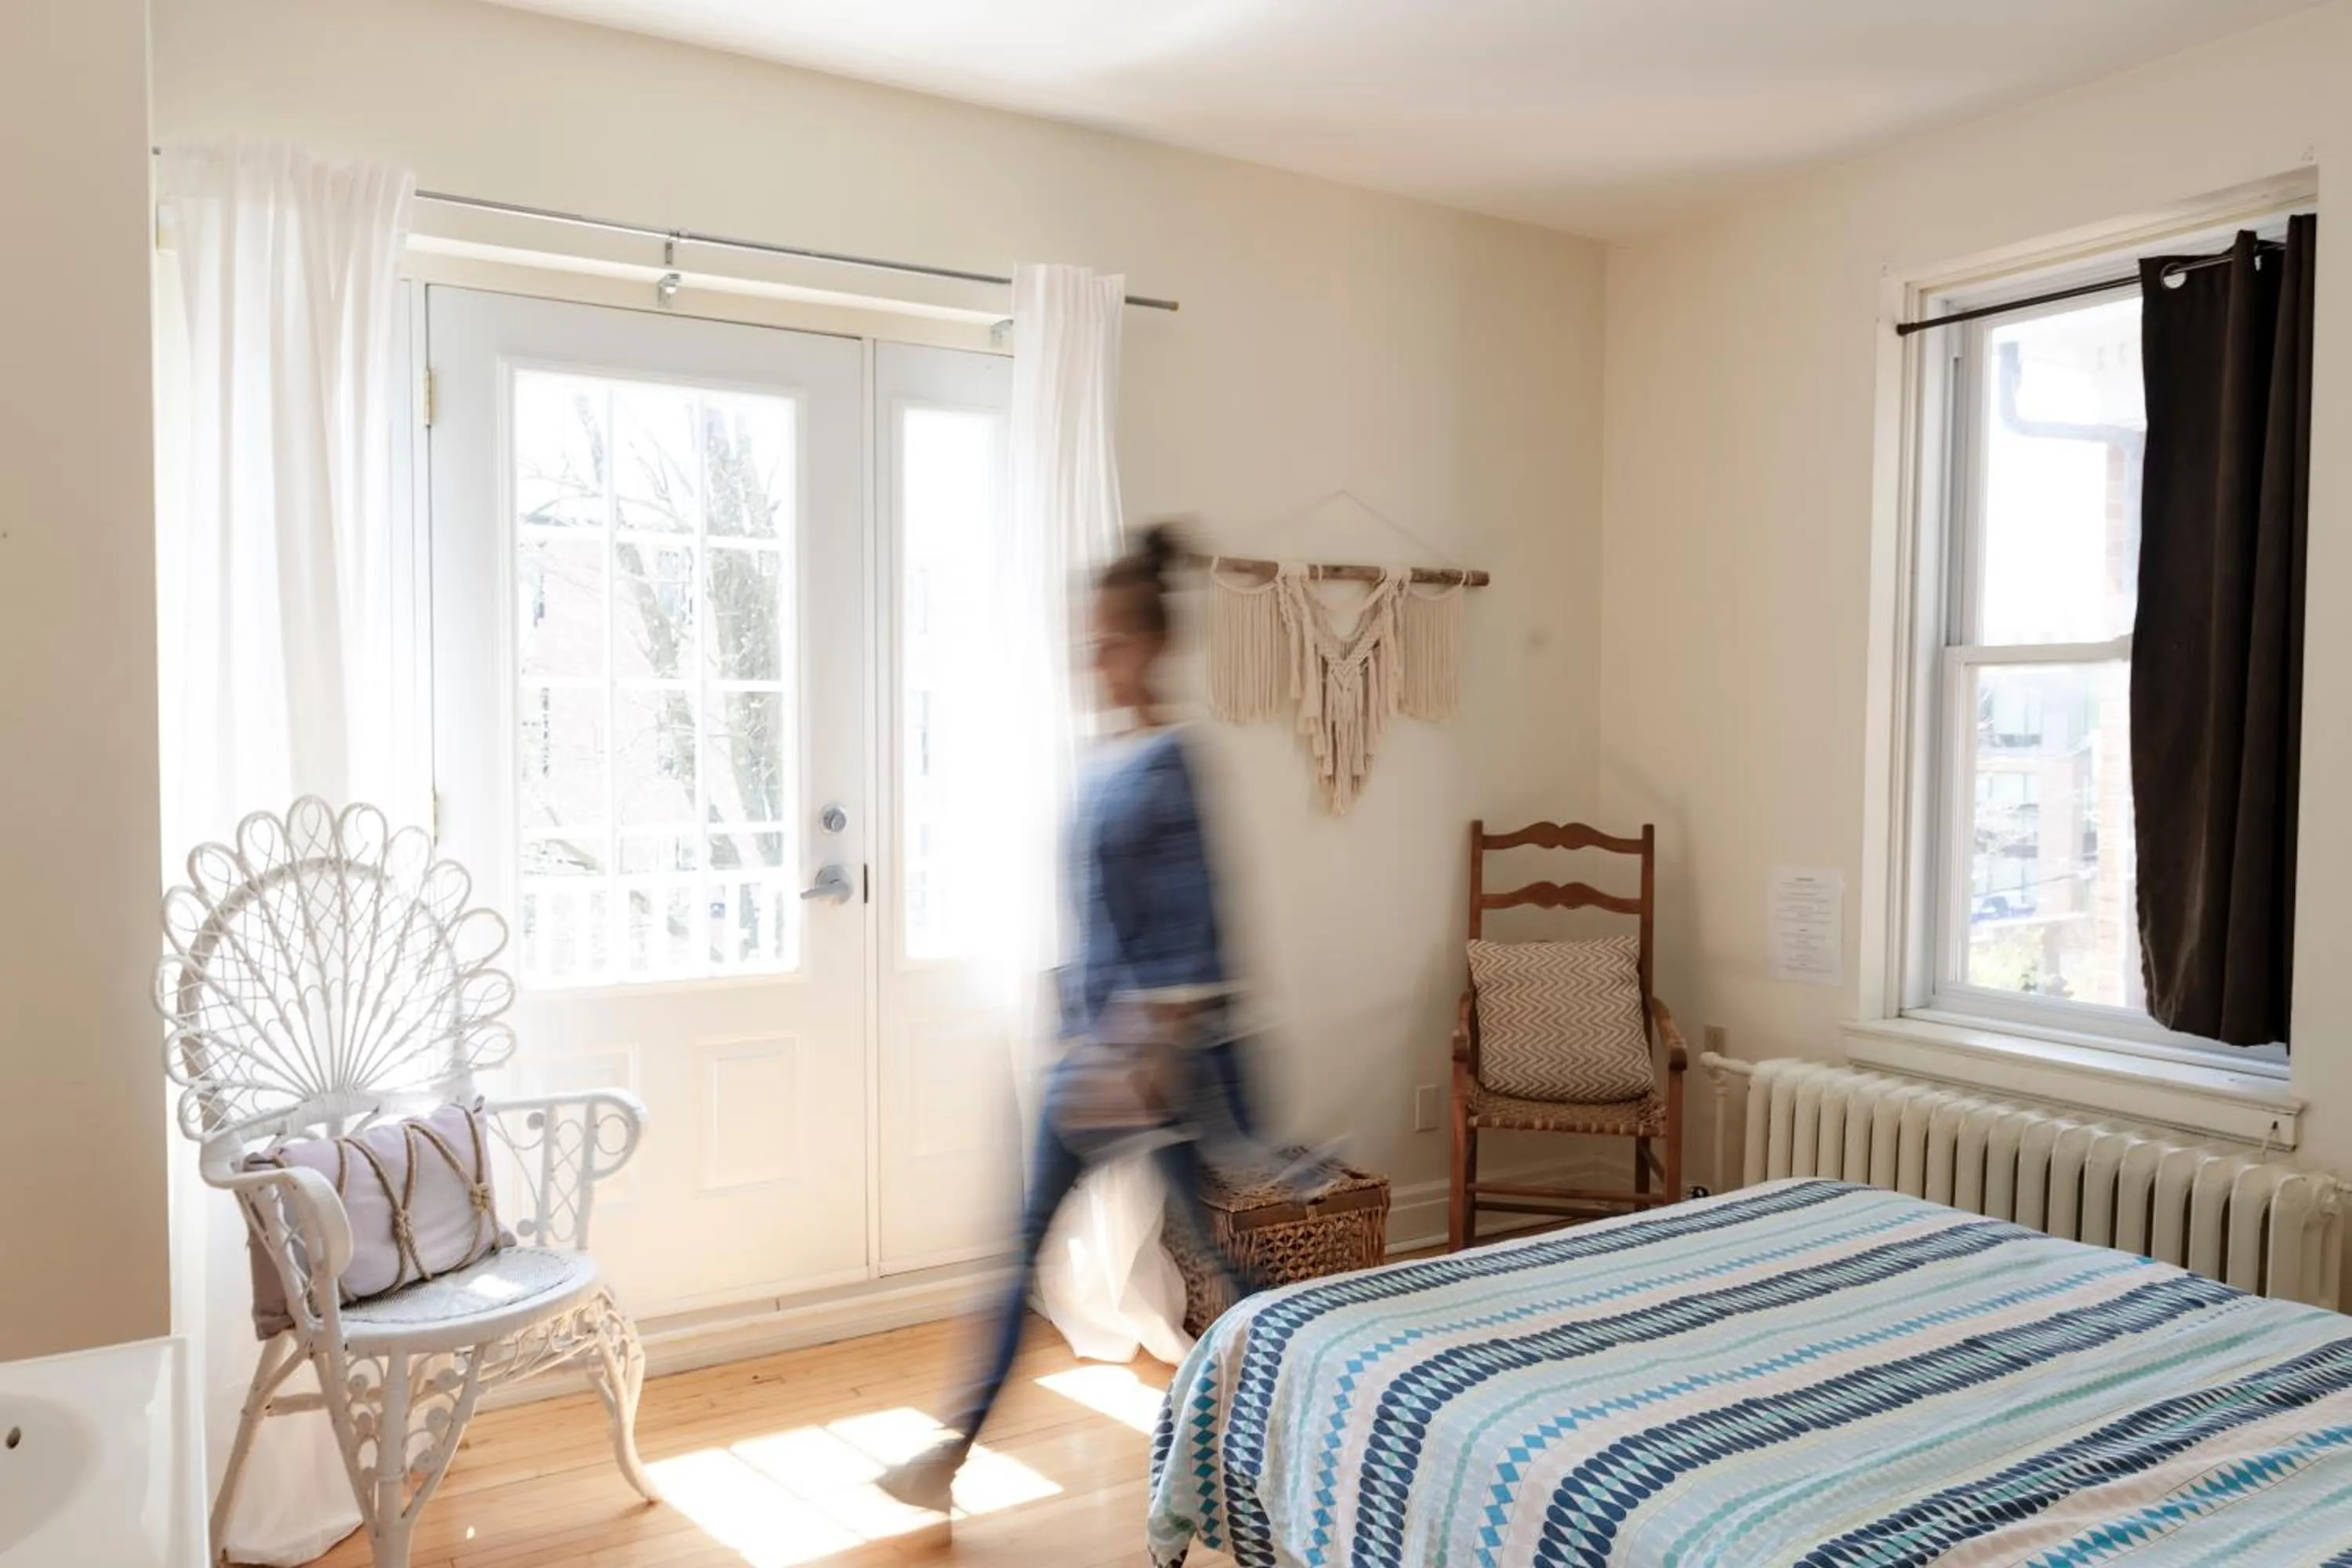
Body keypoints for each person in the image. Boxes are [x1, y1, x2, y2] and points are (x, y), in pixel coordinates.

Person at [877, 523, 1258, 1515]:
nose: (1092, 661)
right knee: (1034, 1244)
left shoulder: (1170, 767)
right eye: (1086, 643)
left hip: (1139, 1070)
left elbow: (1194, 937)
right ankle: (950, 1450)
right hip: (1097, 1057)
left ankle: (1301, 1372)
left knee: (1214, 1257)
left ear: (1154, 647)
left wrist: (1137, 1056)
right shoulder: (1111, 758)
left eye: (1108, 643)